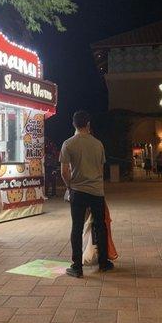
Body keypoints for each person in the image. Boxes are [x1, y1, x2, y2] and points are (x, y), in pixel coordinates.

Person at [60, 110, 114, 278]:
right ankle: (104, 262)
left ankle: (77, 267)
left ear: (73, 124)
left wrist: (70, 185)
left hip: (78, 190)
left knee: (76, 227)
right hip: (97, 191)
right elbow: (100, 168)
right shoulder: (98, 144)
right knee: (100, 225)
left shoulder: (68, 144)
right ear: (88, 124)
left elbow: (64, 172)